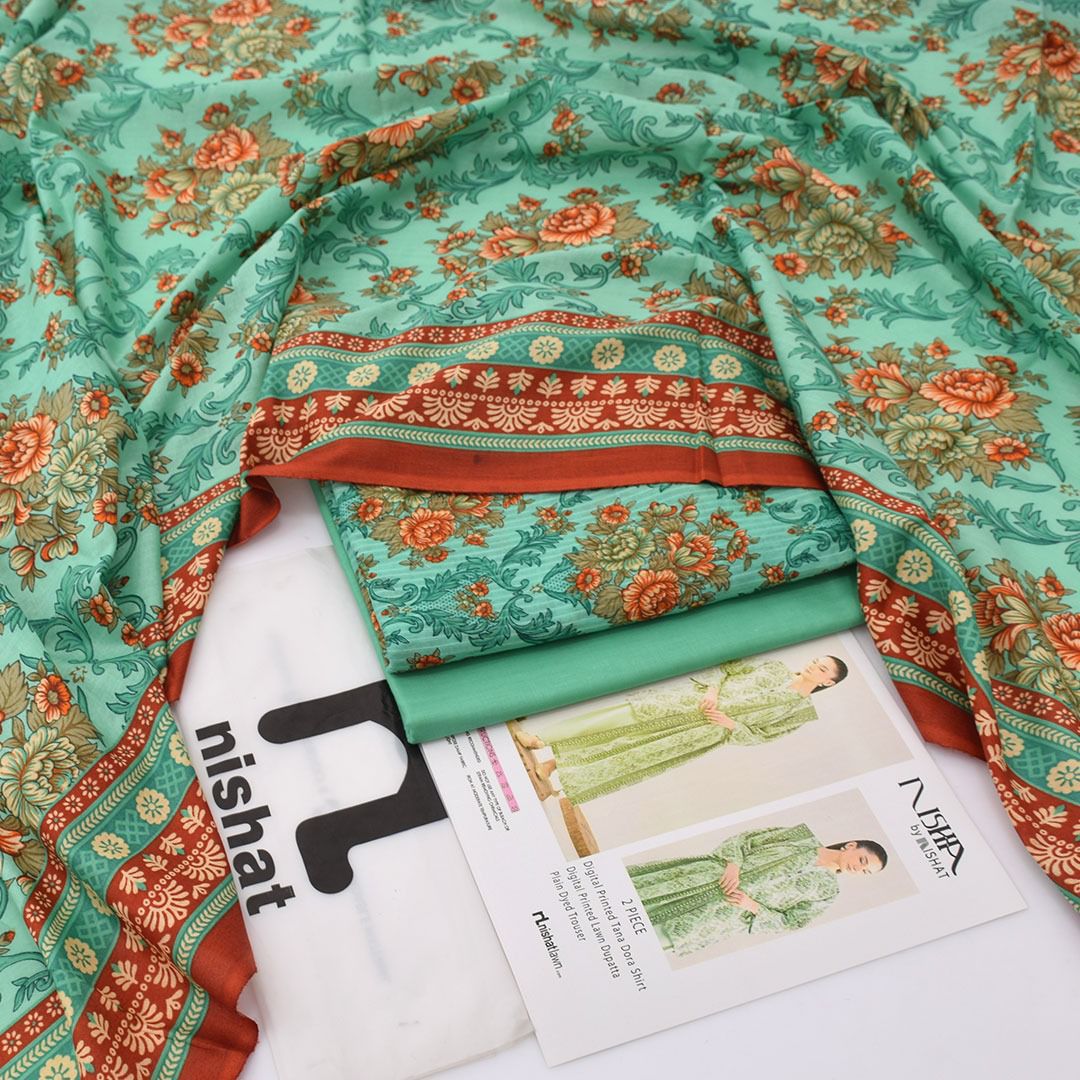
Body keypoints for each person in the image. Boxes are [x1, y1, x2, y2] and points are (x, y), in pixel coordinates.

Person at [513, 655, 848, 803]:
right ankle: (540, 739)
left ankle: (551, 766)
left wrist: (731, 725)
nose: (812, 666)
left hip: (703, 733)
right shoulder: (774, 667)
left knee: (629, 751)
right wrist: (712, 691)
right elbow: (727, 667)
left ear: (828, 683)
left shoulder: (799, 712)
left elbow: (764, 736)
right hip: (687, 703)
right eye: (815, 661)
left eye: (821, 669)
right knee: (618, 720)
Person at [626, 825, 887, 956]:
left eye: (865, 872)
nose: (858, 868)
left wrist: (753, 907)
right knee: (631, 898)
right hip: (705, 877)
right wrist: (733, 864)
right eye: (863, 860)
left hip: (720, 916)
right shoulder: (800, 837)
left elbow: (792, 922)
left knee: (641, 942)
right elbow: (746, 840)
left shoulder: (827, 892)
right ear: (851, 846)